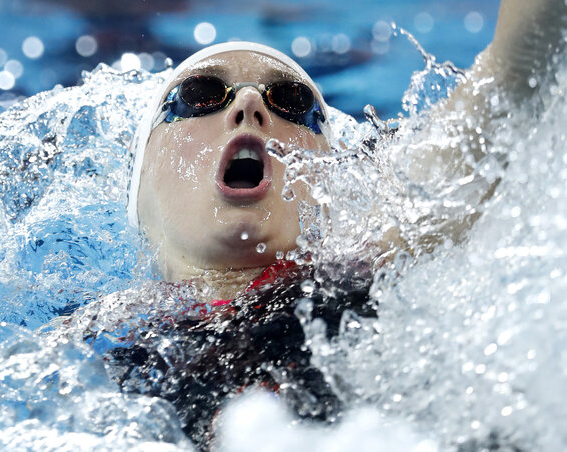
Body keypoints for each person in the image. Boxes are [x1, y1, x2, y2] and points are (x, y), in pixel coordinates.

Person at [55, 0, 566, 448]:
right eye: (201, 95)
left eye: (293, 105)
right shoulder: (84, 345)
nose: (248, 105)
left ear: (333, 181)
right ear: (140, 180)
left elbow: (517, 73)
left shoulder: (366, 273)